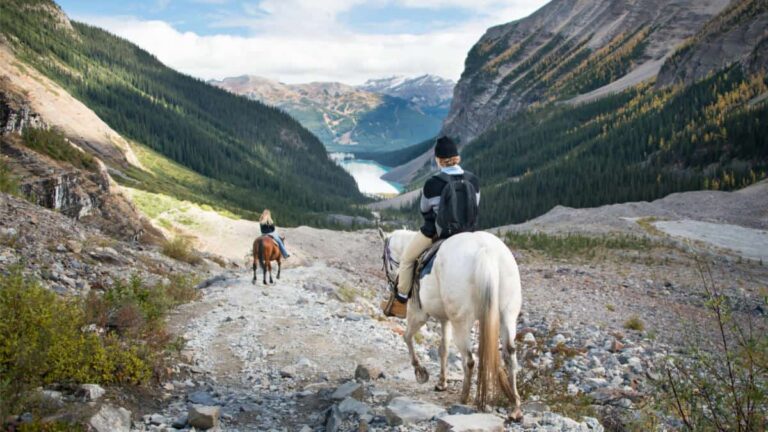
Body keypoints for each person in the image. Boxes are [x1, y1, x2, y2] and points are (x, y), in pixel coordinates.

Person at [382, 136, 480, 318]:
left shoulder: (433, 183)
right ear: (457, 157)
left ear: (438, 159)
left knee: (407, 259)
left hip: (437, 233)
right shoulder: (473, 180)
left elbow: (424, 210)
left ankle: (402, 300)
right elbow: (475, 206)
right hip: (468, 233)